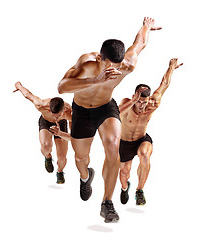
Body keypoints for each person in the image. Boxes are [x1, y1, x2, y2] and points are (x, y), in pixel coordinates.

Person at [57, 17, 161, 223]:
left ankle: (107, 203)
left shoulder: (127, 64)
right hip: (82, 111)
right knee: (80, 158)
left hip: (106, 108)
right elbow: (61, 87)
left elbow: (139, 44)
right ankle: (86, 177)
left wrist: (146, 26)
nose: (113, 70)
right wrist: (95, 80)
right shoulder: (86, 63)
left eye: (117, 65)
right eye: (108, 66)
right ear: (99, 58)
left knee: (114, 147)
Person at [118, 58, 183, 205]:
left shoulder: (153, 104)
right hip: (125, 143)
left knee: (145, 155)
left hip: (142, 139)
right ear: (135, 96)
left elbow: (164, 84)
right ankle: (124, 187)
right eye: (139, 101)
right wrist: (133, 102)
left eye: (144, 102)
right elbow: (116, 113)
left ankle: (139, 191)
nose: (141, 105)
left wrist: (171, 67)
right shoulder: (126, 103)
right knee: (124, 173)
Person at [13, 81, 72, 184]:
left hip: (61, 126)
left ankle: (60, 171)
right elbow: (28, 95)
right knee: (45, 146)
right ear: (49, 109)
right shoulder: (41, 105)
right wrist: (19, 86)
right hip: (46, 122)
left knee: (62, 158)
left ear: (64, 109)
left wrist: (60, 134)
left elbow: (74, 137)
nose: (55, 118)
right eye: (53, 114)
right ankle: (48, 157)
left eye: (58, 116)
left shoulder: (70, 113)